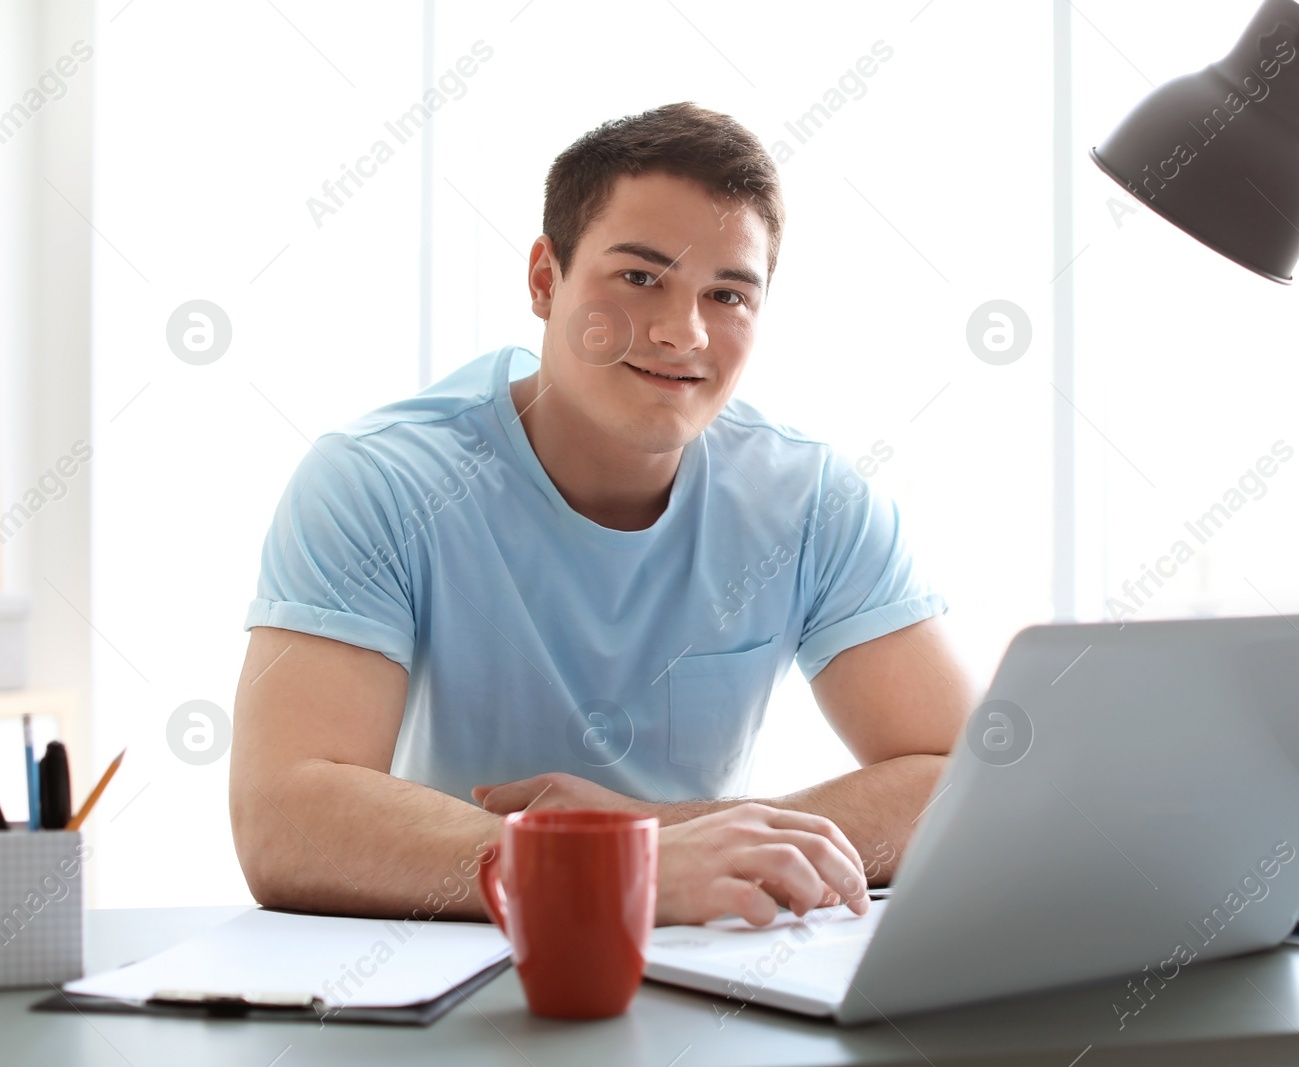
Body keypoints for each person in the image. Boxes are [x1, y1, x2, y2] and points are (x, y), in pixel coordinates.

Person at [228, 101, 978, 929]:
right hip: (460, 964)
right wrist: (610, 869)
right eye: (640, 277)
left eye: (728, 294)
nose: (682, 332)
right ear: (545, 280)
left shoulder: (812, 499)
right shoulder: (377, 482)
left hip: (709, 963)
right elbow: (285, 816)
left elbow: (969, 775)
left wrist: (650, 835)